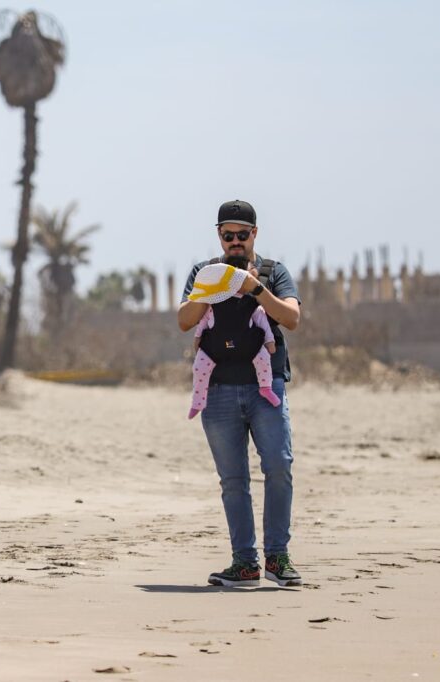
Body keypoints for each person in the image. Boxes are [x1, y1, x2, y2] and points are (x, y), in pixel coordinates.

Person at [178, 199, 302, 588]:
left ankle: (277, 558)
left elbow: (292, 318)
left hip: (267, 389)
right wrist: (213, 288)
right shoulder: (203, 272)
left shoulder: (273, 271)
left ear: (254, 234)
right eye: (227, 235)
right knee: (233, 480)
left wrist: (254, 287)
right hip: (217, 392)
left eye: (241, 234)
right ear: (219, 235)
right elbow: (184, 321)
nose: (234, 241)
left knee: (279, 466)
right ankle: (245, 564)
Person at [188, 256, 279, 419]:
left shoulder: (252, 302)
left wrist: (269, 341)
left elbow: (262, 322)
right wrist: (197, 338)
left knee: (263, 358)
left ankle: (265, 387)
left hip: (248, 345)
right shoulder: (214, 301)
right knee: (199, 367)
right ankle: (198, 401)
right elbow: (203, 321)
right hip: (216, 346)